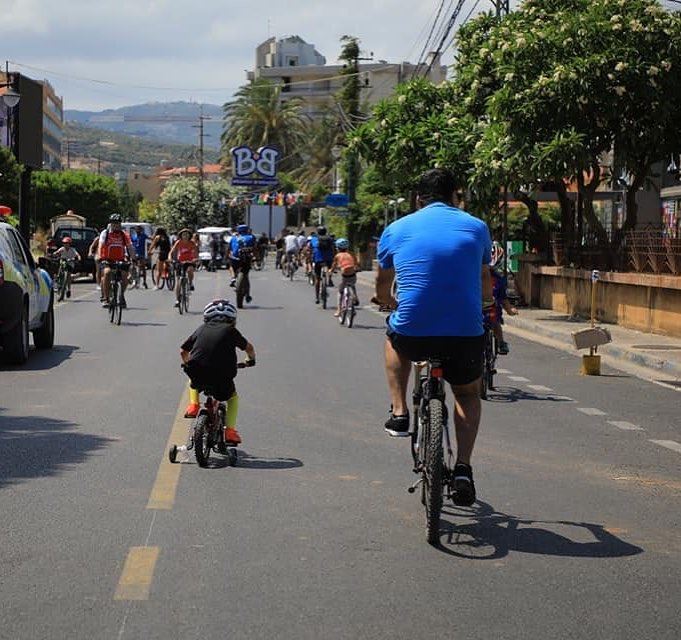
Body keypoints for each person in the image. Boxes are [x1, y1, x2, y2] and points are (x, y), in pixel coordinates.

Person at [373, 168, 493, 507]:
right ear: (456, 195)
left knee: (394, 338)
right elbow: (485, 278)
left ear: (417, 199)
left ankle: (399, 412)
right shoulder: (476, 226)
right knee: (467, 395)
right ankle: (464, 470)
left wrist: (386, 302)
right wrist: (485, 306)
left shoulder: (396, 229)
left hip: (414, 330)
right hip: (465, 332)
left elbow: (383, 283)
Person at [181, 299, 256, 446]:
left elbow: (183, 351)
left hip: (199, 374)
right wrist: (250, 360)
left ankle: (193, 405)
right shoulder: (231, 331)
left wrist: (187, 364)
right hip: (222, 377)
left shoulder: (201, 329)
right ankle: (230, 431)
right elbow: (249, 348)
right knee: (232, 398)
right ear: (232, 320)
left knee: (193, 380)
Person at [99, 214, 136, 308]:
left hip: (120, 259)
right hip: (107, 259)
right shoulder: (105, 233)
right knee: (107, 273)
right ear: (111, 224)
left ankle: (121, 294)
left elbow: (130, 247)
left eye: (118, 223)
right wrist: (100, 256)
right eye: (114, 223)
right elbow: (101, 245)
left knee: (125, 276)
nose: (116, 225)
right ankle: (106, 298)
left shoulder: (124, 235)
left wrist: (133, 258)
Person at [487, 242, 518, 354]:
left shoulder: (498, 280)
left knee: (495, 321)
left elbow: (503, 298)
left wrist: (510, 310)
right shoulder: (474, 277)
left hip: (491, 311)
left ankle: (501, 343)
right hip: (478, 311)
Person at [331, 238, 359, 317]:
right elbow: (356, 263)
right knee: (352, 285)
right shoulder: (352, 254)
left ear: (337, 248)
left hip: (344, 275)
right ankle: (355, 297)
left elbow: (334, 266)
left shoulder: (338, 255)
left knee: (340, 291)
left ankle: (339, 310)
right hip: (353, 275)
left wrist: (331, 271)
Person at [170, 228, 198, 307]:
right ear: (181, 235)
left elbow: (195, 253)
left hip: (189, 261)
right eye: (183, 234)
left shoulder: (192, 243)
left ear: (189, 235)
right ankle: (177, 300)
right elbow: (172, 251)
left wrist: (195, 259)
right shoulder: (178, 242)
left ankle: (190, 283)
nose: (185, 236)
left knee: (190, 270)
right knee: (178, 281)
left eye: (187, 234)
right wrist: (170, 258)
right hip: (180, 262)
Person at [228, 224, 256, 301]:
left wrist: (229, 256)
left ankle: (233, 278)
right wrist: (255, 257)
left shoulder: (234, 238)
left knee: (231, 266)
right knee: (246, 275)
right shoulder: (251, 237)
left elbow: (230, 249)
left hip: (235, 259)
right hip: (247, 259)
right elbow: (255, 248)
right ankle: (248, 294)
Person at [308, 226, 334, 304]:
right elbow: (333, 248)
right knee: (330, 269)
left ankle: (317, 297)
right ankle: (329, 279)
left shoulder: (314, 239)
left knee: (317, 278)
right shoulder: (330, 239)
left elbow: (310, 249)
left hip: (318, 259)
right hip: (328, 259)